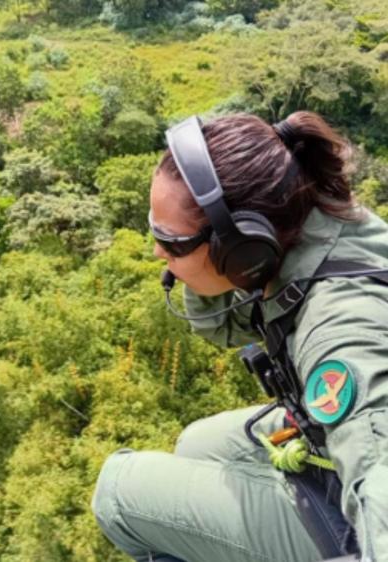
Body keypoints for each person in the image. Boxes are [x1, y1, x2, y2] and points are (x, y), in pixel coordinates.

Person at [91, 111, 388, 561]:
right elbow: (222, 325)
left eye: (170, 242)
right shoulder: (302, 226)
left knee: (117, 493)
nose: (155, 251)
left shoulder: (339, 331)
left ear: (240, 244)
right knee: (198, 443)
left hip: (363, 513)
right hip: (323, 433)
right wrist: (210, 263)